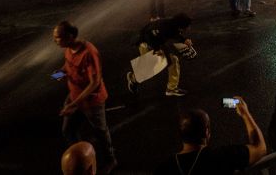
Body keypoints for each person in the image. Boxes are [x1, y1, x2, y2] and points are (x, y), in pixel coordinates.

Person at [53, 21, 117, 174]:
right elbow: (68, 66)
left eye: (58, 38)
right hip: (75, 97)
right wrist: (60, 73)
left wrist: (74, 104)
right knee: (68, 130)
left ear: (70, 36)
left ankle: (111, 160)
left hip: (92, 101)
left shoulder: (89, 52)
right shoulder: (68, 49)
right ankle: (81, 157)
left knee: (100, 132)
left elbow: (95, 82)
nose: (55, 41)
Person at [153, 102, 266, 175]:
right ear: (207, 133)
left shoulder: (163, 168)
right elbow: (260, 148)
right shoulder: (220, 157)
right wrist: (245, 114)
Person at [127, 13, 194, 97]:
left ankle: (171, 88)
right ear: (182, 25)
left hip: (156, 42)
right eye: (188, 26)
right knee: (149, 67)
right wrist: (156, 49)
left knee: (173, 60)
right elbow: (148, 35)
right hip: (146, 43)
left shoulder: (173, 25)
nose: (189, 28)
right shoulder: (165, 27)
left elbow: (174, 33)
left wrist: (184, 40)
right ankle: (133, 79)